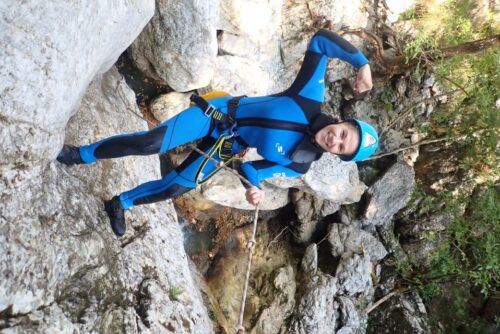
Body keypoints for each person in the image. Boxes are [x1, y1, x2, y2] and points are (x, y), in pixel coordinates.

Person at [57, 29, 379, 237]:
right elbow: (320, 41)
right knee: (150, 143)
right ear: (342, 123)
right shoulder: (308, 98)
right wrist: (361, 63)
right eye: (342, 134)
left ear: (338, 155)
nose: (335, 140)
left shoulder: (300, 164)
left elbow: (250, 168)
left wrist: (254, 188)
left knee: (175, 188)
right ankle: (78, 155)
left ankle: (120, 203)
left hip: (230, 145)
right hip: (220, 113)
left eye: (341, 147)